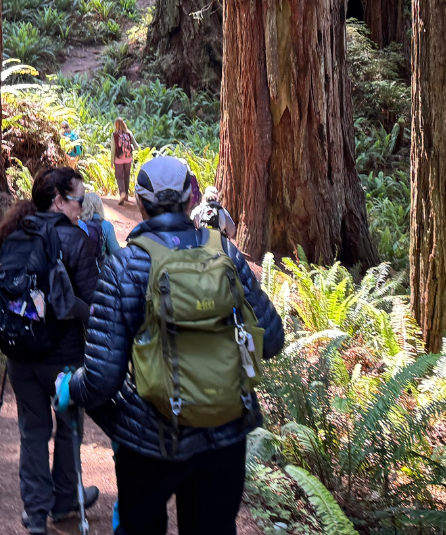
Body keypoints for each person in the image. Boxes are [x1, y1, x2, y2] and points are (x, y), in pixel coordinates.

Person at [57, 155, 284, 535]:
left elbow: (102, 379)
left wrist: (69, 387)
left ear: (141, 205)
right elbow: (272, 339)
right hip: (225, 435)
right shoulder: (225, 253)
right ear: (190, 199)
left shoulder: (125, 267)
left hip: (150, 441)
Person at [0, 167, 103, 533]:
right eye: (78, 200)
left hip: (19, 353)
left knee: (33, 431)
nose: (81, 208)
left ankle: (36, 513)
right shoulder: (74, 240)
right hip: (64, 358)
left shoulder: (15, 233)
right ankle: (65, 500)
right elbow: (94, 303)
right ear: (58, 201)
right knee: (69, 427)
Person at [79, 190, 122, 265]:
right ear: (99, 206)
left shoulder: (78, 224)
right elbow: (115, 252)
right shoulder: (106, 225)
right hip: (100, 269)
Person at [110, 117, 137, 204]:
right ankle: (126, 196)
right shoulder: (129, 134)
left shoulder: (114, 135)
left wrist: (111, 161)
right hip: (128, 158)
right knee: (126, 176)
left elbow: (113, 149)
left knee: (119, 176)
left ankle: (122, 193)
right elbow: (136, 146)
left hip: (118, 159)